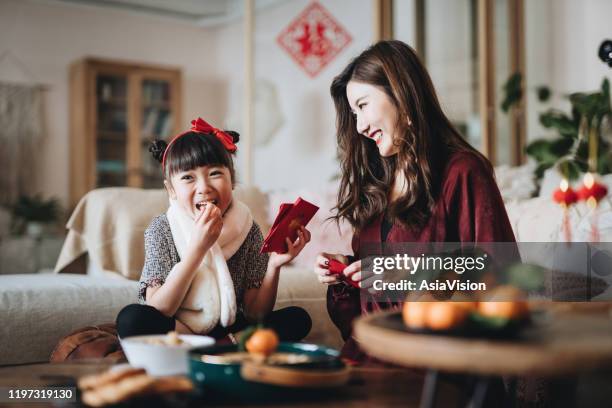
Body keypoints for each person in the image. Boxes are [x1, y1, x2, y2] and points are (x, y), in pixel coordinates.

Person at [313, 40, 517, 361]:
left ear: (401, 94)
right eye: (353, 114)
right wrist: (347, 272)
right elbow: (366, 309)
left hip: (435, 363)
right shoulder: (378, 183)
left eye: (363, 106)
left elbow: (502, 276)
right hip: (367, 358)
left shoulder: (462, 171)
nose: (360, 126)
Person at [117, 118, 312, 342]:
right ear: (171, 190)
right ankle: (219, 348)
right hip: (179, 329)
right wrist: (197, 249)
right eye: (188, 177)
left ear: (232, 180)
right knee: (131, 319)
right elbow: (159, 308)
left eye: (215, 174)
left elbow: (255, 313)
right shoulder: (161, 229)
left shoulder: (248, 228)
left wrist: (274, 266)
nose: (204, 188)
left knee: (297, 318)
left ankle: (220, 346)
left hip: (230, 325)